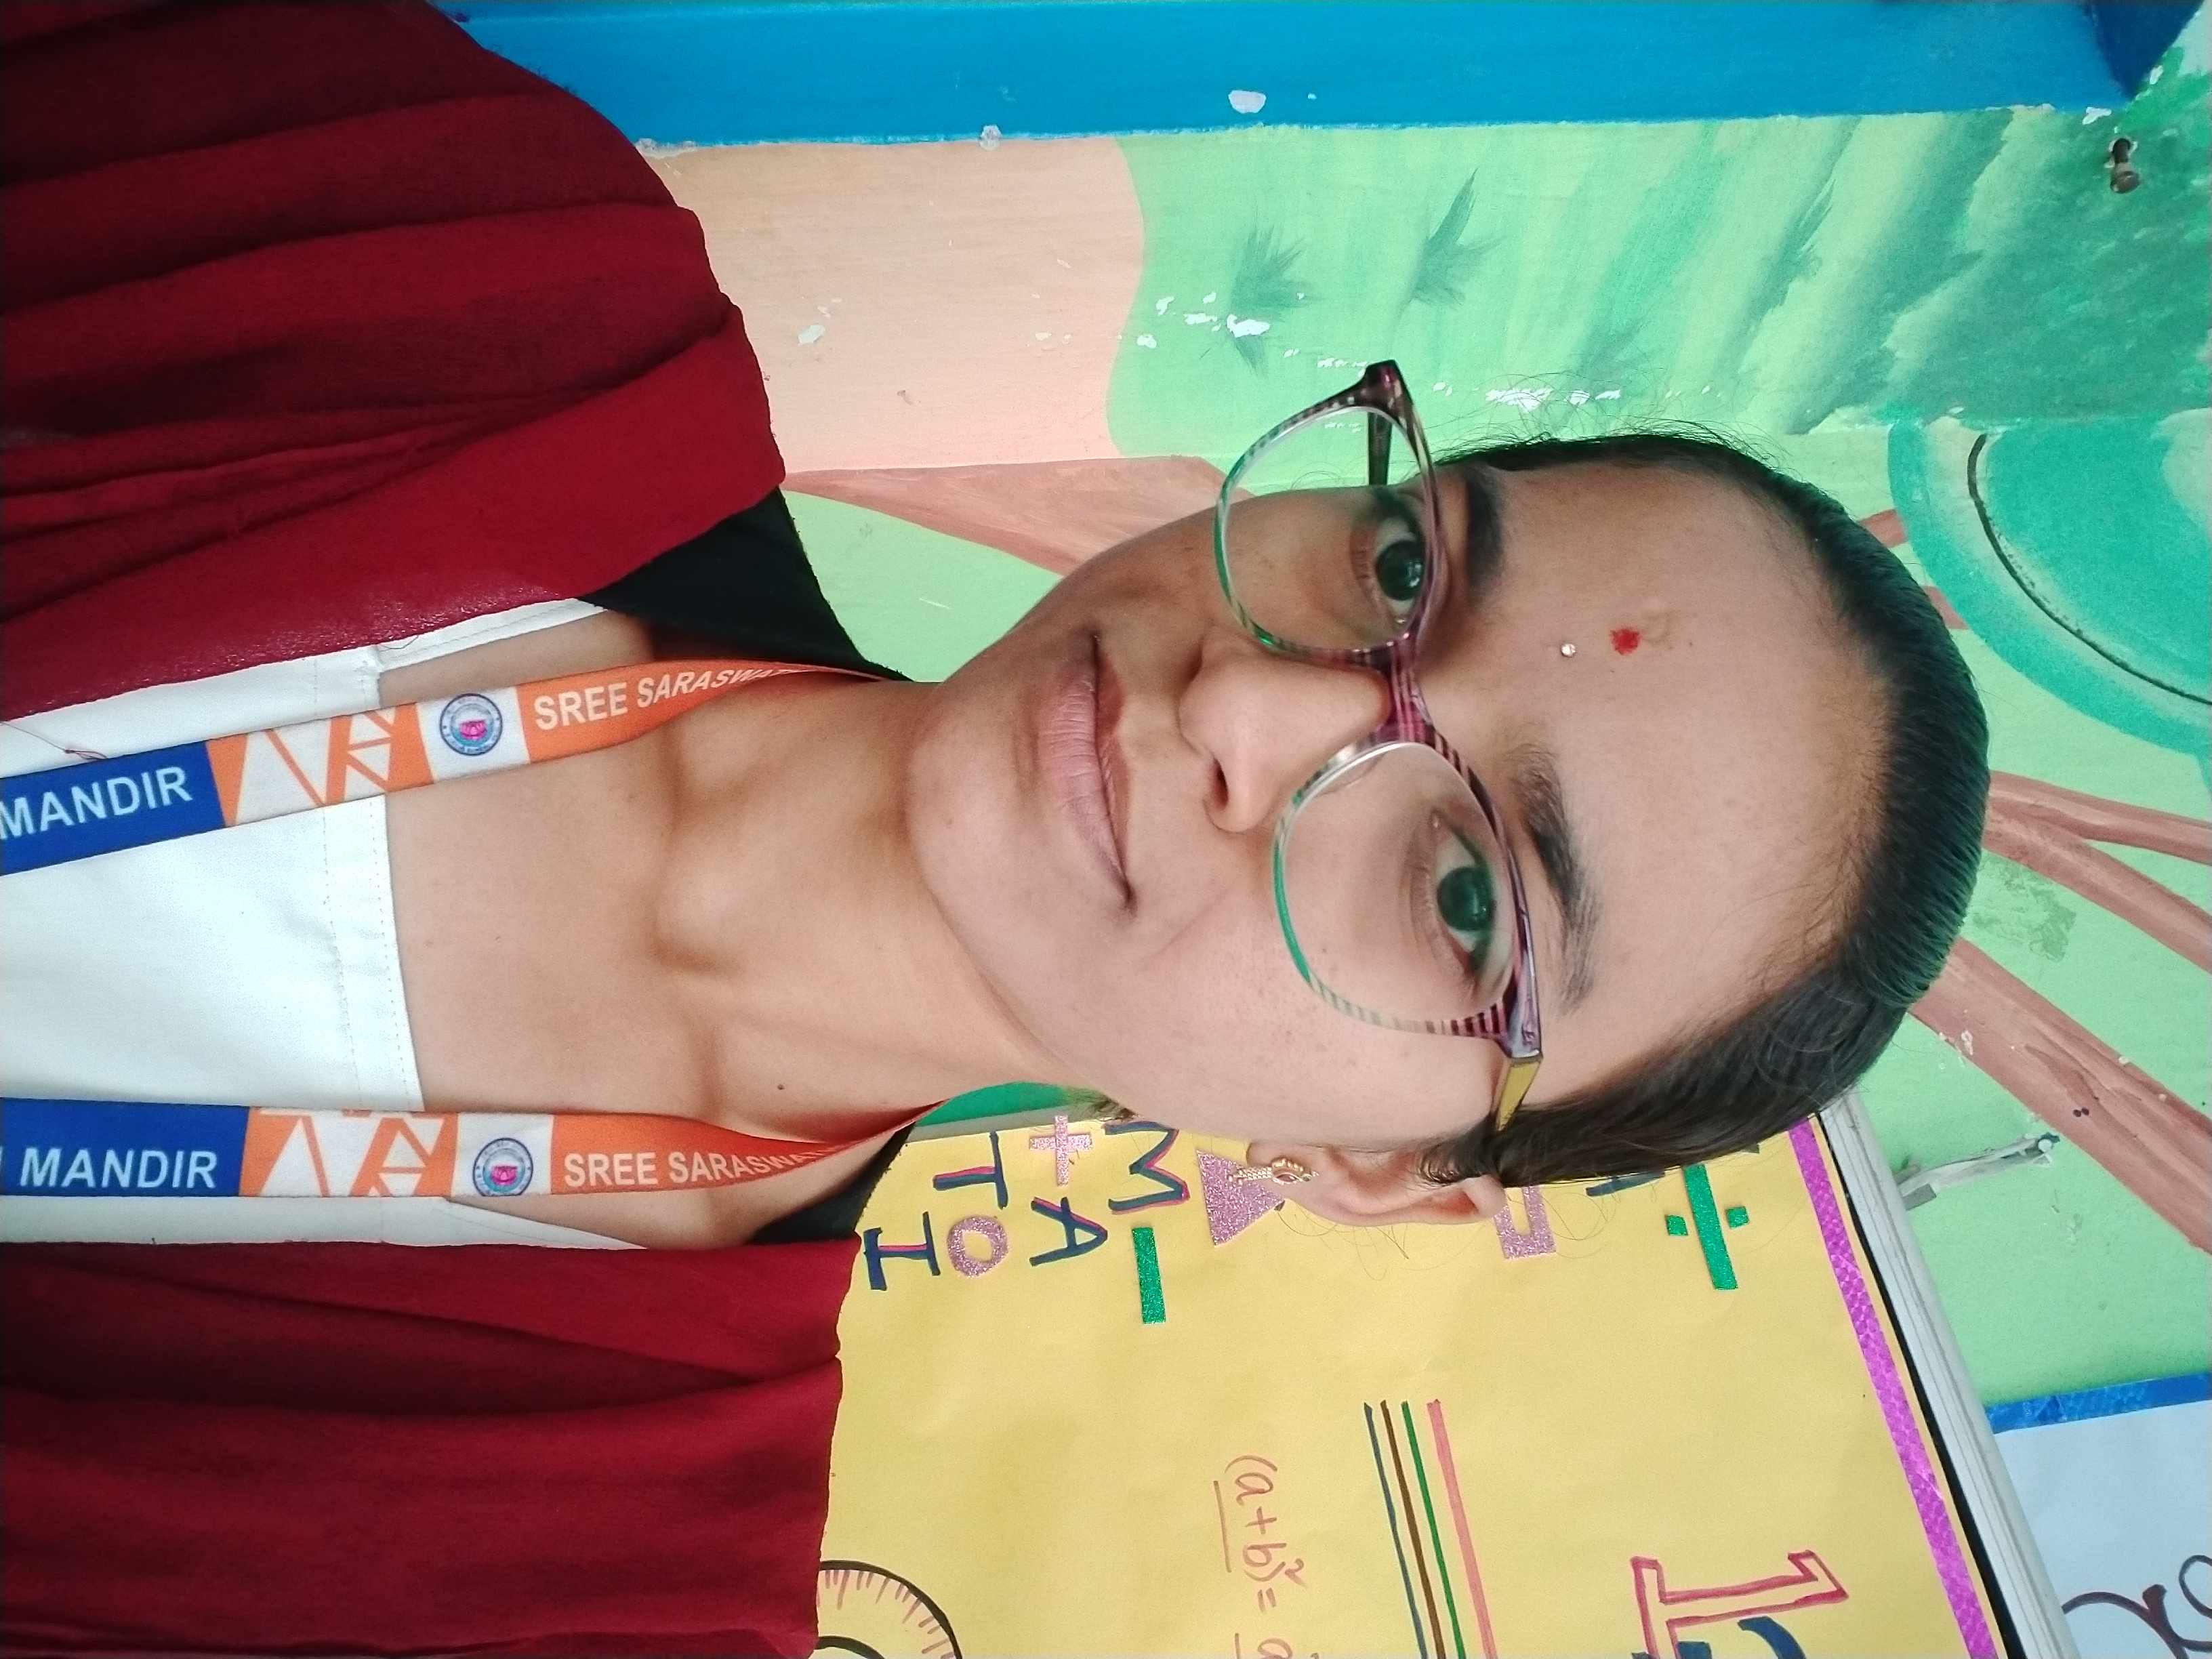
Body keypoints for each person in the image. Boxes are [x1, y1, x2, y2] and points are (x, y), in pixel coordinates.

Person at [0, 1, 1988, 1654]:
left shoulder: (587, 1586)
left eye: (1463, 891)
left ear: (1379, 1173)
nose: (1252, 707)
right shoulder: (461, 242)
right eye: (1404, 569)